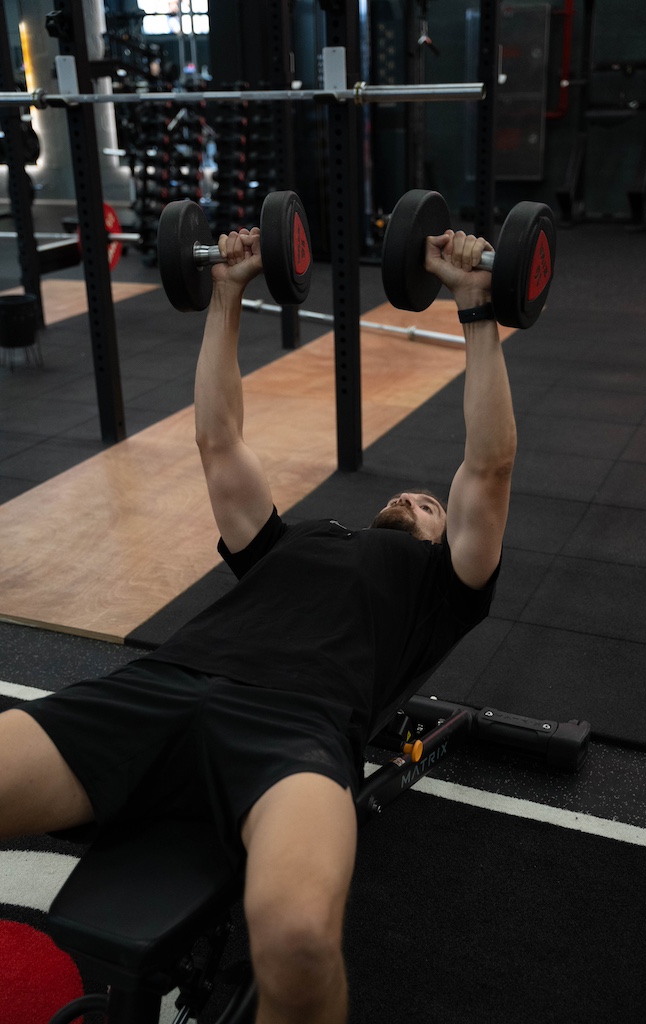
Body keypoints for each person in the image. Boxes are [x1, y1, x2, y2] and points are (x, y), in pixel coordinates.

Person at [0, 219, 517, 1024]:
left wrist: (476, 309)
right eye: (411, 495)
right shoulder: (291, 542)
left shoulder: (445, 582)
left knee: (300, 942)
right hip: (154, 691)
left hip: (293, 731)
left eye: (432, 503)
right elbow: (217, 440)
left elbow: (487, 466)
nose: (420, 497)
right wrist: (225, 293)